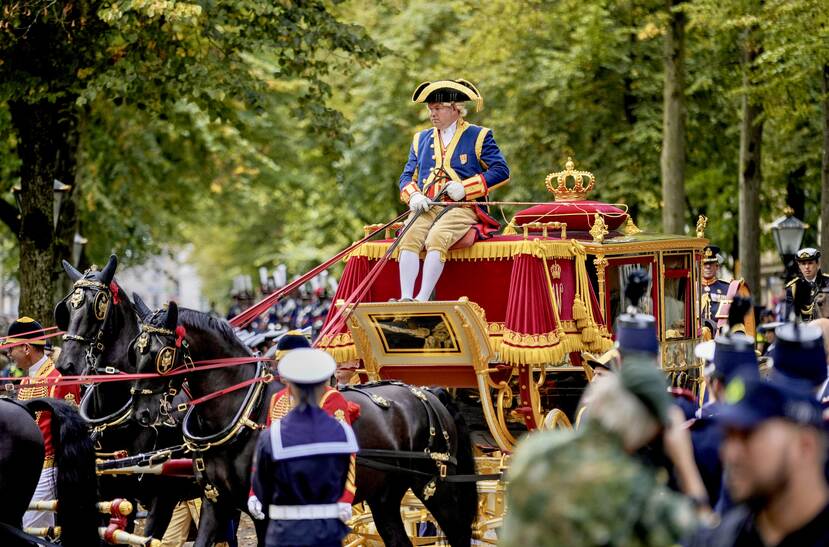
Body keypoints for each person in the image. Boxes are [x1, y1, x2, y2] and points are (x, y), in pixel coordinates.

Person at [396, 79, 510, 301]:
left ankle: (422, 298)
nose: (432, 114)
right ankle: (406, 298)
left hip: (463, 206)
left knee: (437, 237)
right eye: (430, 109)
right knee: (408, 235)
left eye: (437, 108)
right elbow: (406, 176)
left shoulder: (479, 135)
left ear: (455, 108)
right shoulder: (420, 139)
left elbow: (501, 171)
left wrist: (465, 188)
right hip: (428, 205)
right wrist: (414, 195)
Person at [688, 376, 829, 546]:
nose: (729, 454)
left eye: (748, 435)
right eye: (727, 436)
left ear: (806, 447)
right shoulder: (720, 539)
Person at [251, 349, 359, 547]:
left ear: (291, 386)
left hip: (285, 530)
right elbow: (342, 473)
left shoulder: (271, 437)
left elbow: (262, 484)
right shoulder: (341, 433)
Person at [1, 316, 81, 531]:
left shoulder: (59, 380)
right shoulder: (26, 381)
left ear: (26, 348)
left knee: (30, 529)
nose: (9, 354)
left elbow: (71, 434)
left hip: (47, 469)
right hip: (21, 469)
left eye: (12, 348)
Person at [700, 245, 755, 337]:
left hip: (721, 337)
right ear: (699, 266)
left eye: (711, 264)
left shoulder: (728, 288)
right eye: (705, 264)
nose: (708, 267)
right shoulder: (692, 287)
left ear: (717, 267)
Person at [785, 247, 829, 321]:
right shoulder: (793, 288)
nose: (807, 267)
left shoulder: (827, 283)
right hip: (804, 330)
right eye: (803, 264)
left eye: (810, 263)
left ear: (818, 264)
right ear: (799, 266)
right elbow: (789, 318)